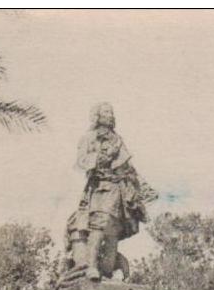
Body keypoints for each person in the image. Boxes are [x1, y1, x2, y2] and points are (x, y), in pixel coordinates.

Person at [65, 103, 156, 280]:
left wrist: (144, 188)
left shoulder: (117, 139)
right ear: (98, 116)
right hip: (99, 188)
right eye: (107, 112)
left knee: (113, 230)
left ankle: (106, 272)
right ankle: (91, 267)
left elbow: (128, 167)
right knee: (98, 225)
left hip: (117, 190)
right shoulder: (88, 138)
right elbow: (81, 161)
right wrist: (100, 159)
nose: (111, 115)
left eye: (112, 112)